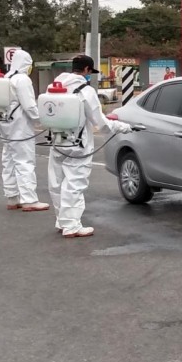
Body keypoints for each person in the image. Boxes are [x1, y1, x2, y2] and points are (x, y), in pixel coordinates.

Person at [49, 55, 132, 238]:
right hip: (78, 144)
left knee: (57, 182)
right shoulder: (85, 91)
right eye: (90, 72)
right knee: (74, 183)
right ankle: (71, 226)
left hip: (57, 141)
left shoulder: (56, 86)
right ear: (86, 70)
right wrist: (122, 127)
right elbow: (100, 123)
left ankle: (62, 221)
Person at [0, 49, 50, 212]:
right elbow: (29, 106)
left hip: (4, 124)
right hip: (20, 126)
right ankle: (29, 200)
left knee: (9, 160)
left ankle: (12, 198)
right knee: (24, 161)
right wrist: (44, 121)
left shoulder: (6, 78)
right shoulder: (22, 79)